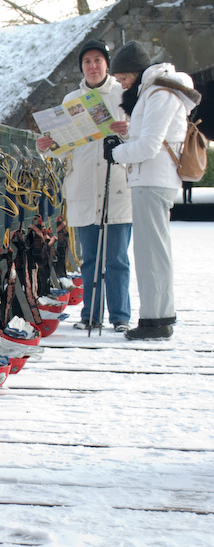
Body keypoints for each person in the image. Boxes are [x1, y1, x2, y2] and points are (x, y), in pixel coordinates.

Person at [104, 40, 201, 340]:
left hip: (152, 180)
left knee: (151, 252)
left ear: (136, 71)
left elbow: (149, 146)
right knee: (152, 251)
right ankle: (157, 315)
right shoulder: (156, 90)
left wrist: (116, 154)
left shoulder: (159, 93)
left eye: (122, 78)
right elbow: (149, 139)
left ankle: (155, 319)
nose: (121, 84)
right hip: (152, 179)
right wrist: (123, 142)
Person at [36, 39, 132, 333]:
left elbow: (145, 138)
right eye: (87, 61)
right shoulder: (71, 100)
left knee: (116, 257)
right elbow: (64, 147)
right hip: (84, 187)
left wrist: (128, 132)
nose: (92, 66)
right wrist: (48, 146)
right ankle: (91, 314)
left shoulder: (125, 95)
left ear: (107, 64)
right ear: (82, 66)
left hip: (116, 186)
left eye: (98, 60)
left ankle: (120, 316)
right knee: (90, 258)